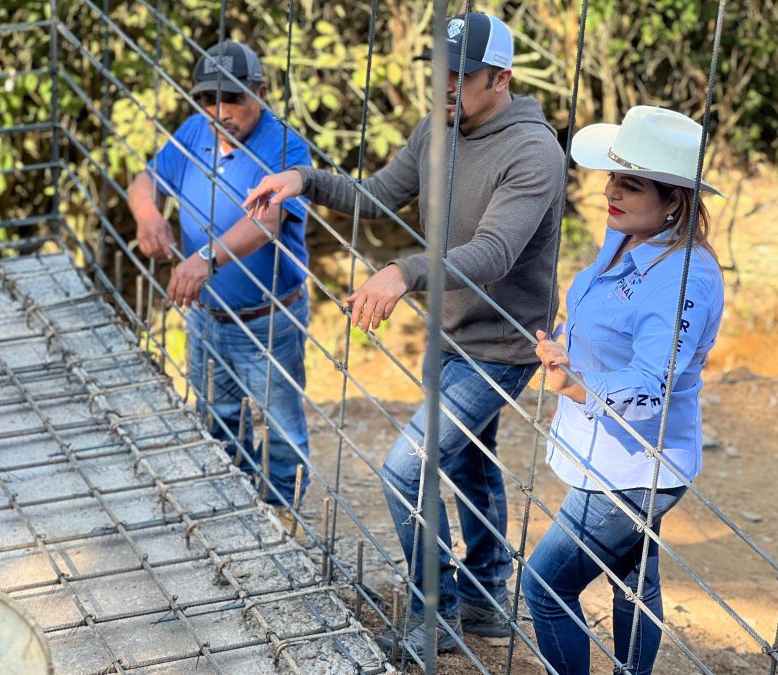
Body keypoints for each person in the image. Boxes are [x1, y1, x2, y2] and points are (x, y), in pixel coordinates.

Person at [245, 12, 564, 659]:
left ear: (500, 78)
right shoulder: (436, 130)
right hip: (450, 332)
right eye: (438, 74)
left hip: (501, 345)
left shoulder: (534, 152)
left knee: (404, 467)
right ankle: (485, 594)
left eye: (462, 76)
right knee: (470, 462)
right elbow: (378, 196)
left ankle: (437, 609)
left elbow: (495, 252)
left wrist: (404, 270)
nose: (445, 86)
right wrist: (303, 179)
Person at [521, 106, 725, 675]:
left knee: (544, 586)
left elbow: (648, 387)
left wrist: (574, 383)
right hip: (610, 454)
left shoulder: (683, 279)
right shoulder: (629, 237)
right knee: (634, 583)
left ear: (674, 202)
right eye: (612, 177)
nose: (610, 191)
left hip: (635, 470)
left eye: (630, 184)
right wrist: (563, 349)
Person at [127, 39, 313, 506]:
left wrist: (205, 258)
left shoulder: (286, 146)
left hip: (268, 321)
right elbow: (145, 181)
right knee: (216, 421)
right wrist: (149, 214)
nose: (219, 110)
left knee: (282, 433)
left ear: (261, 93)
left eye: (232, 98)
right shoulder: (195, 130)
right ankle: (230, 514)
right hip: (207, 316)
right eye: (207, 98)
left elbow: (266, 220)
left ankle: (281, 519)